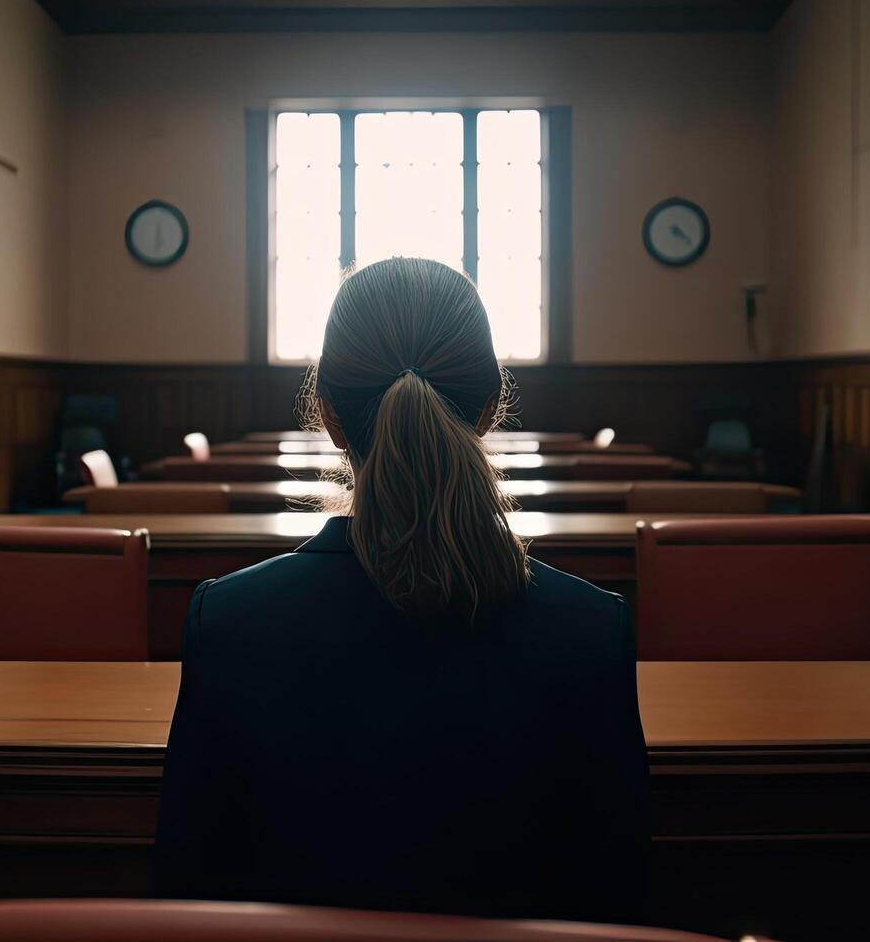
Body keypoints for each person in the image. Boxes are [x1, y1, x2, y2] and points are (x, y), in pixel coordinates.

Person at [154, 257, 648, 923]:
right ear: (489, 409)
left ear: (327, 417)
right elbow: (617, 895)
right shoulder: (592, 628)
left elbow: (191, 890)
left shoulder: (230, 622)